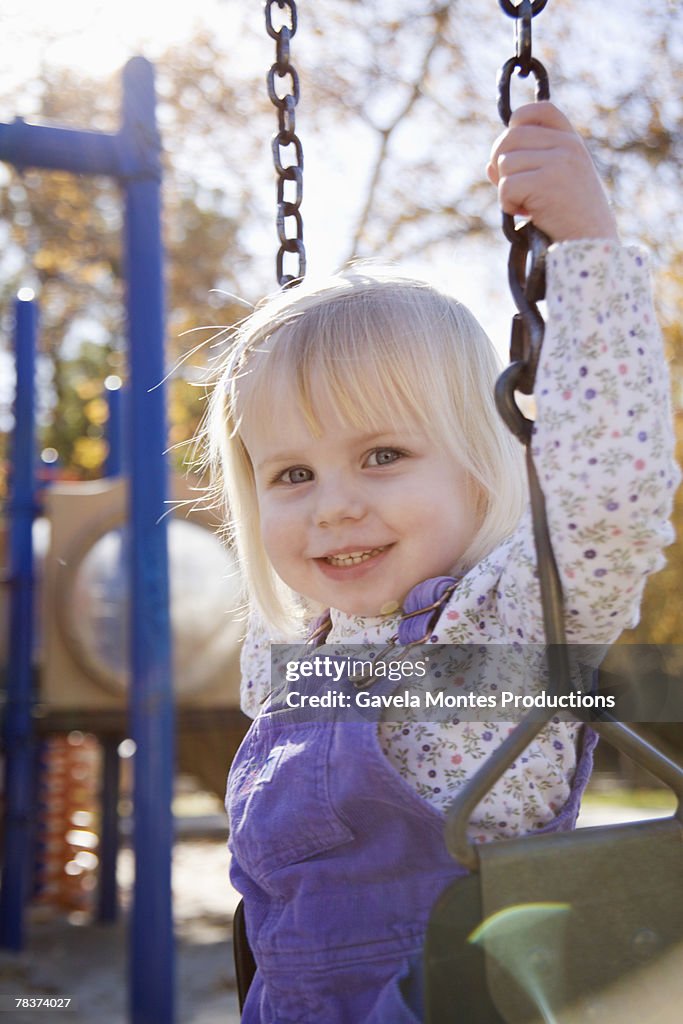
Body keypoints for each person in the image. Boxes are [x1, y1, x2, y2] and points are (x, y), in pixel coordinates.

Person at [204, 102, 679, 1023]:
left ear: (480, 470)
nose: (334, 502)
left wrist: (586, 252)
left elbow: (607, 500)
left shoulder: (508, 622)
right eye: (292, 473)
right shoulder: (293, 654)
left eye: (382, 456)